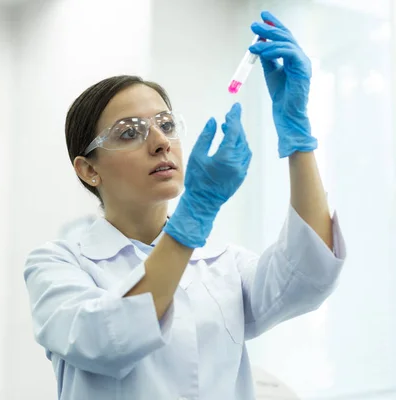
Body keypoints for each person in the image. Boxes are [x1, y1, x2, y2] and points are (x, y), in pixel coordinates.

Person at [23, 11, 346, 400]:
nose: (160, 141)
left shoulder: (222, 265)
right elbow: (108, 339)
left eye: (166, 124)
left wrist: (296, 133)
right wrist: (194, 215)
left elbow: (309, 274)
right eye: (130, 133)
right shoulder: (57, 266)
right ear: (89, 170)